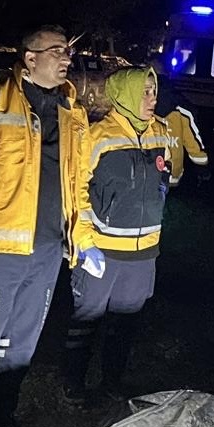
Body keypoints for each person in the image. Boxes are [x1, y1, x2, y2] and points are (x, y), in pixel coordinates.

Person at [0, 25, 102, 427]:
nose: (66, 58)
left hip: (48, 250)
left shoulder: (73, 112)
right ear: (30, 58)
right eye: (56, 51)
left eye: (68, 52)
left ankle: (0, 417)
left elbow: (78, 185)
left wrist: (84, 238)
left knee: (21, 344)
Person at [62, 66, 173, 404]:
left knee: (125, 323)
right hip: (102, 249)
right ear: (125, 94)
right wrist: (84, 240)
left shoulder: (161, 133)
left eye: (154, 91)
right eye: (144, 92)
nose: (152, 99)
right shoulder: (97, 136)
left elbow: (164, 181)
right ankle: (73, 384)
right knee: (87, 319)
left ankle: (112, 382)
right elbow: (76, 190)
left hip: (143, 253)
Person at [157, 82, 210, 187]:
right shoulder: (184, 110)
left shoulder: (139, 105)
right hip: (172, 174)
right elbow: (193, 143)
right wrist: (203, 167)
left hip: (144, 174)